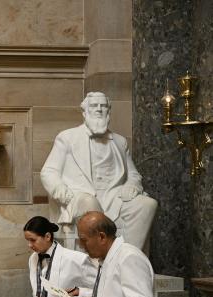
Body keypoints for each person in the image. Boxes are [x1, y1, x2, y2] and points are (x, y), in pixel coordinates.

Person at [40, 92, 157, 250]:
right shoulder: (67, 138)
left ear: (109, 111)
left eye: (103, 106)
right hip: (80, 197)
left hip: (114, 197)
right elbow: (48, 172)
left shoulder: (120, 141)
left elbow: (133, 174)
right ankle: (97, 263)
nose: (99, 109)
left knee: (147, 204)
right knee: (90, 202)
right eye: (94, 106)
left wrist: (132, 185)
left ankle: (127, 258)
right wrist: (64, 194)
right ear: (84, 112)